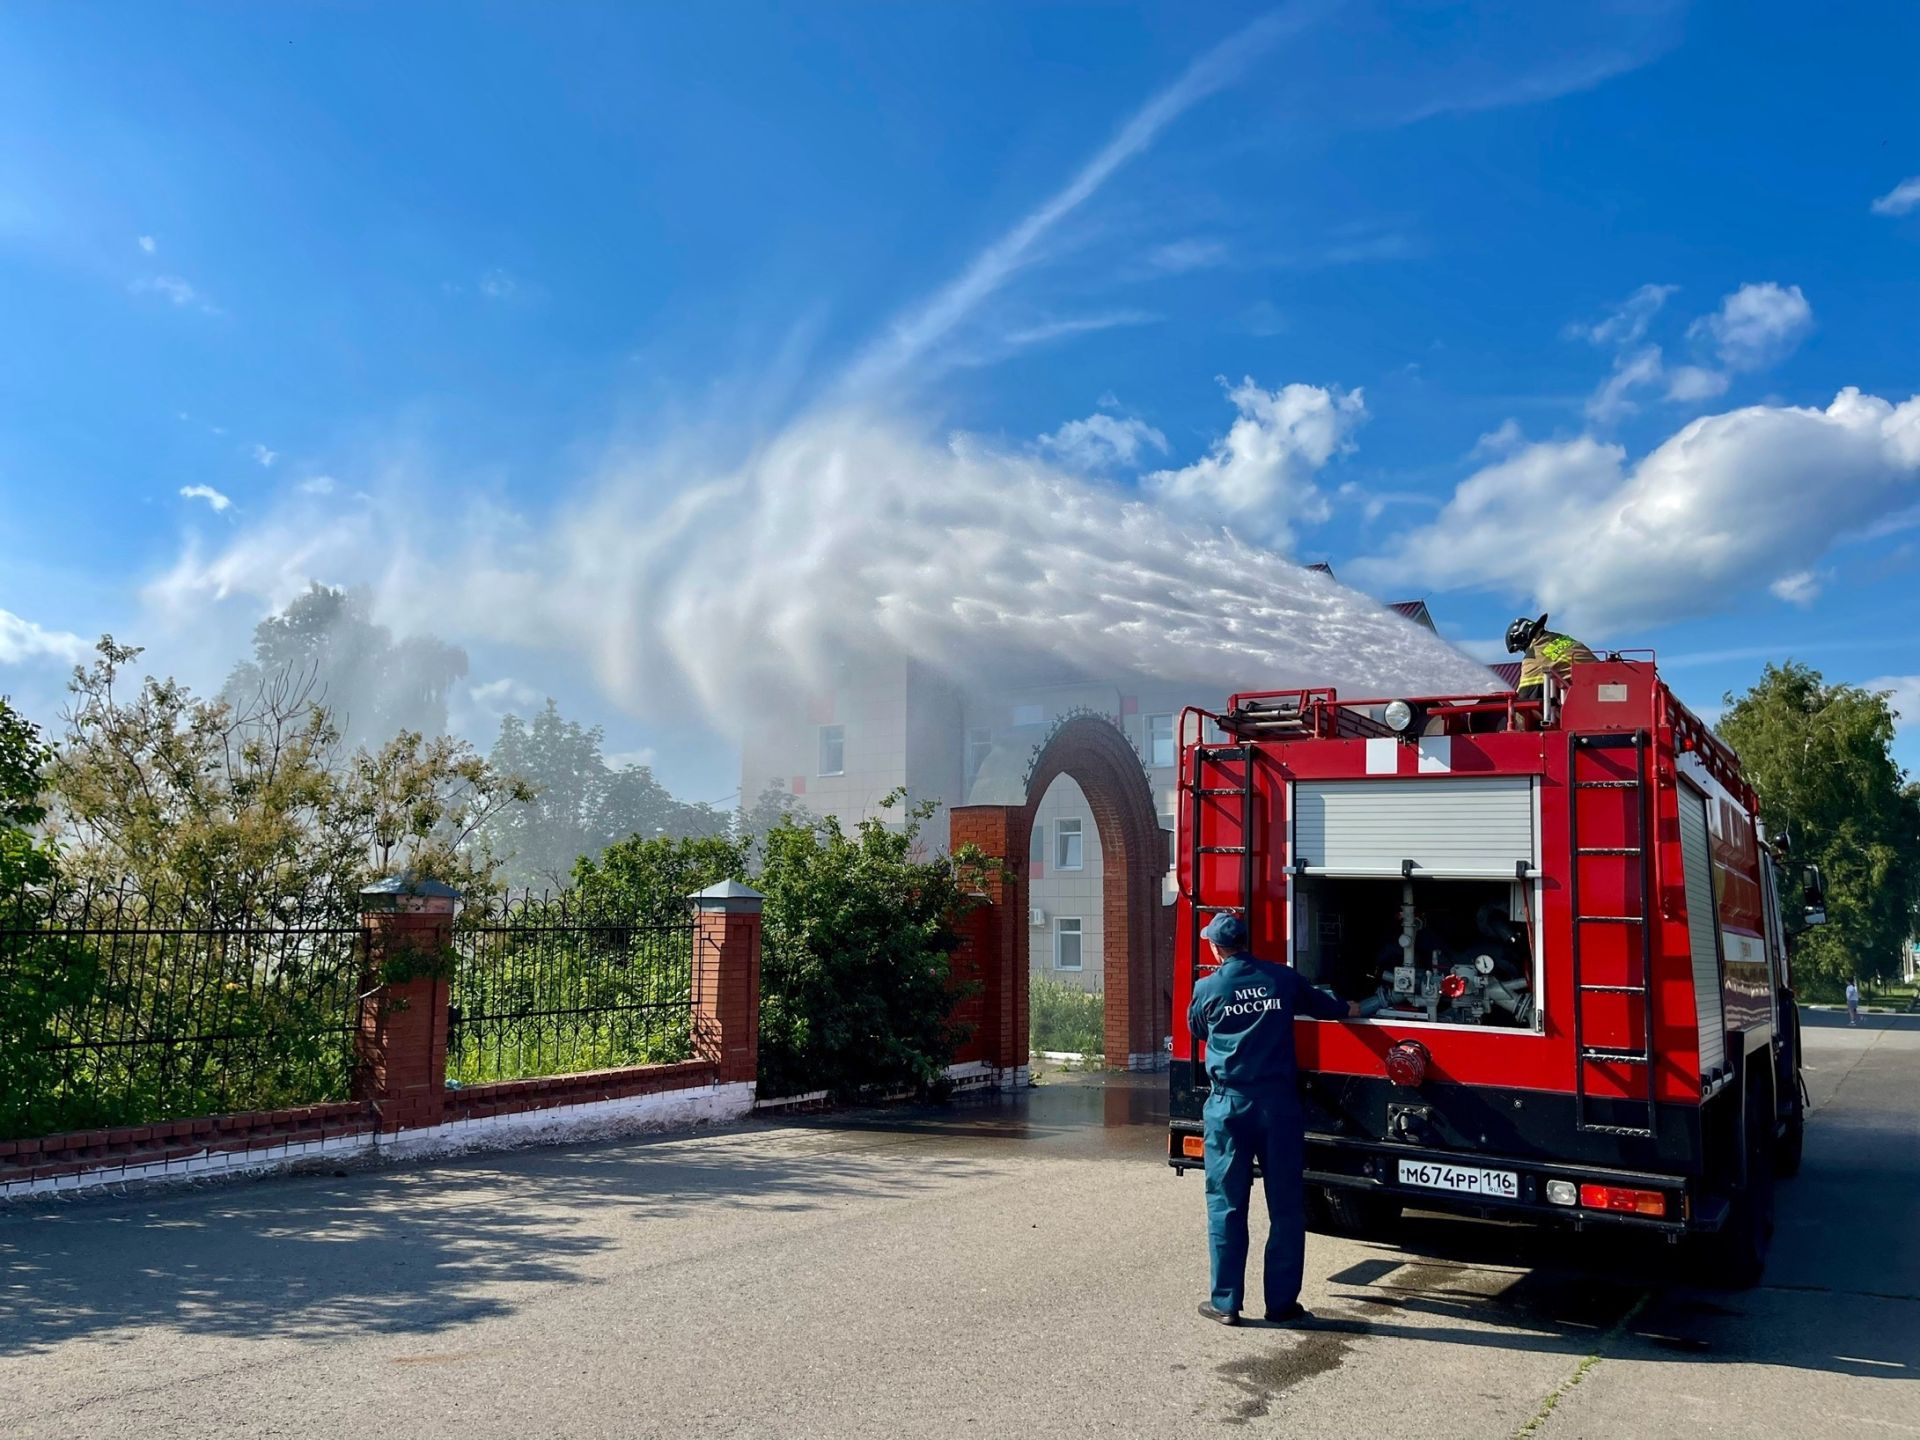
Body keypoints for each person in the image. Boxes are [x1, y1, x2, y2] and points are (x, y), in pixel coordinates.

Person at [1189, 912, 1361, 1327]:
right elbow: (1327, 1007)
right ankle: (1281, 1305)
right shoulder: (1282, 979)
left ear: (1215, 948)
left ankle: (1226, 1303)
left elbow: (1198, 1030)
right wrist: (1357, 1006)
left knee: (1226, 1205)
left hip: (1228, 1107)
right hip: (1278, 1108)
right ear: (1247, 943)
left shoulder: (1207, 987)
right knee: (1285, 1207)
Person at [1506, 613, 1598, 700]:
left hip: (1587, 697)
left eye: (1521, 649)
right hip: (1603, 686)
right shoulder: (1560, 638)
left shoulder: (1534, 656)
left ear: (1522, 639)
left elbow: (1525, 695)